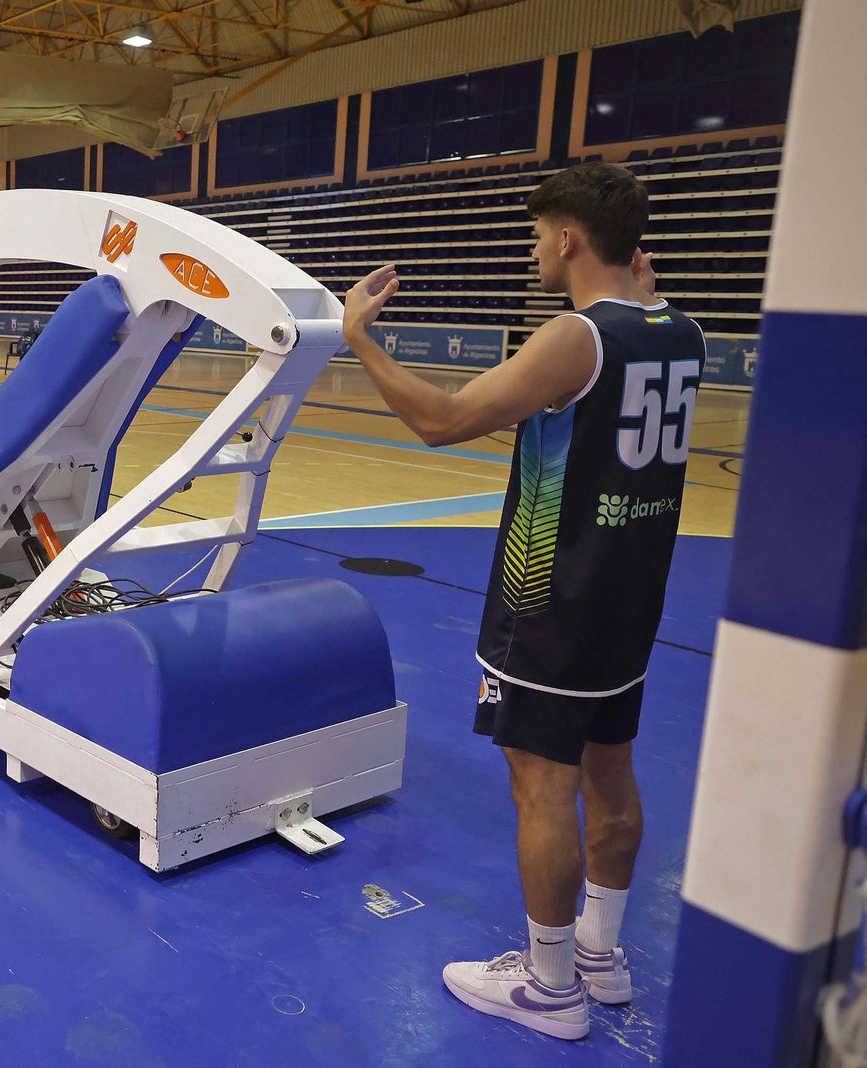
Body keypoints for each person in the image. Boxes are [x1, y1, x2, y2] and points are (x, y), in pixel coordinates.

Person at [337, 162, 703, 1042]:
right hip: (630, 600)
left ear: (569, 238)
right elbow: (640, 310)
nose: (535, 251)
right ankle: (600, 955)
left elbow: (441, 419)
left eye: (539, 236)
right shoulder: (680, 332)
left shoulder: (576, 337)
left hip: (551, 599)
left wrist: (360, 339)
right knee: (612, 772)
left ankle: (550, 986)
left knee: (542, 786)